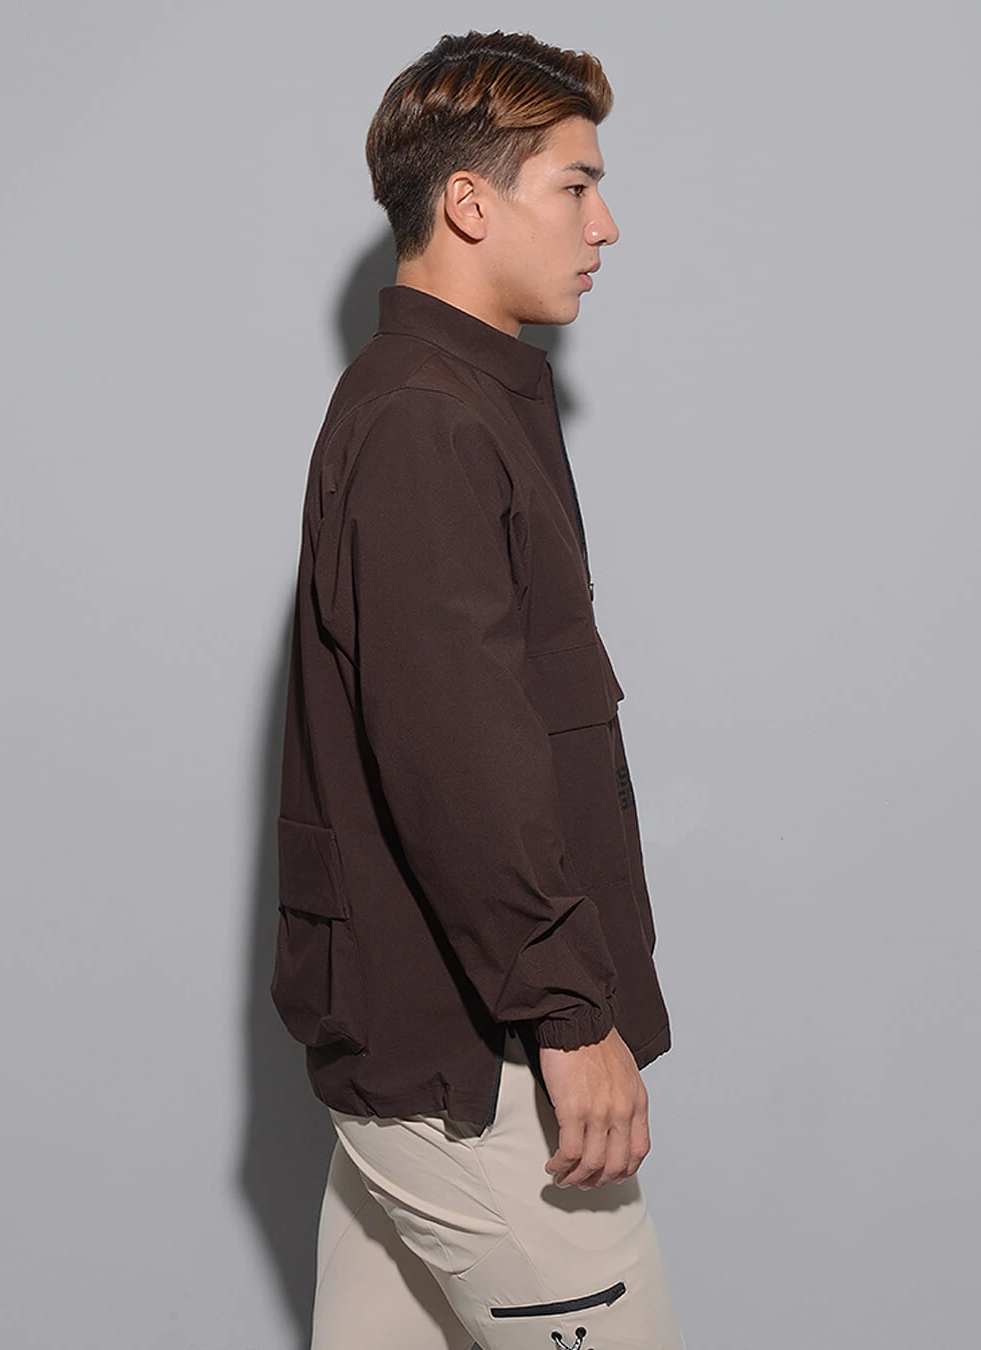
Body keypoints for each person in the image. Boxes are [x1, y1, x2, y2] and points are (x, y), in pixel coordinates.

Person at [272, 28, 685, 1350]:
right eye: (576, 184)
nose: (604, 224)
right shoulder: (427, 420)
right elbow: (459, 760)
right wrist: (571, 1012)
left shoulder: (461, 397)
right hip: (478, 1070)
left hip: (423, 1058)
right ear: (468, 202)